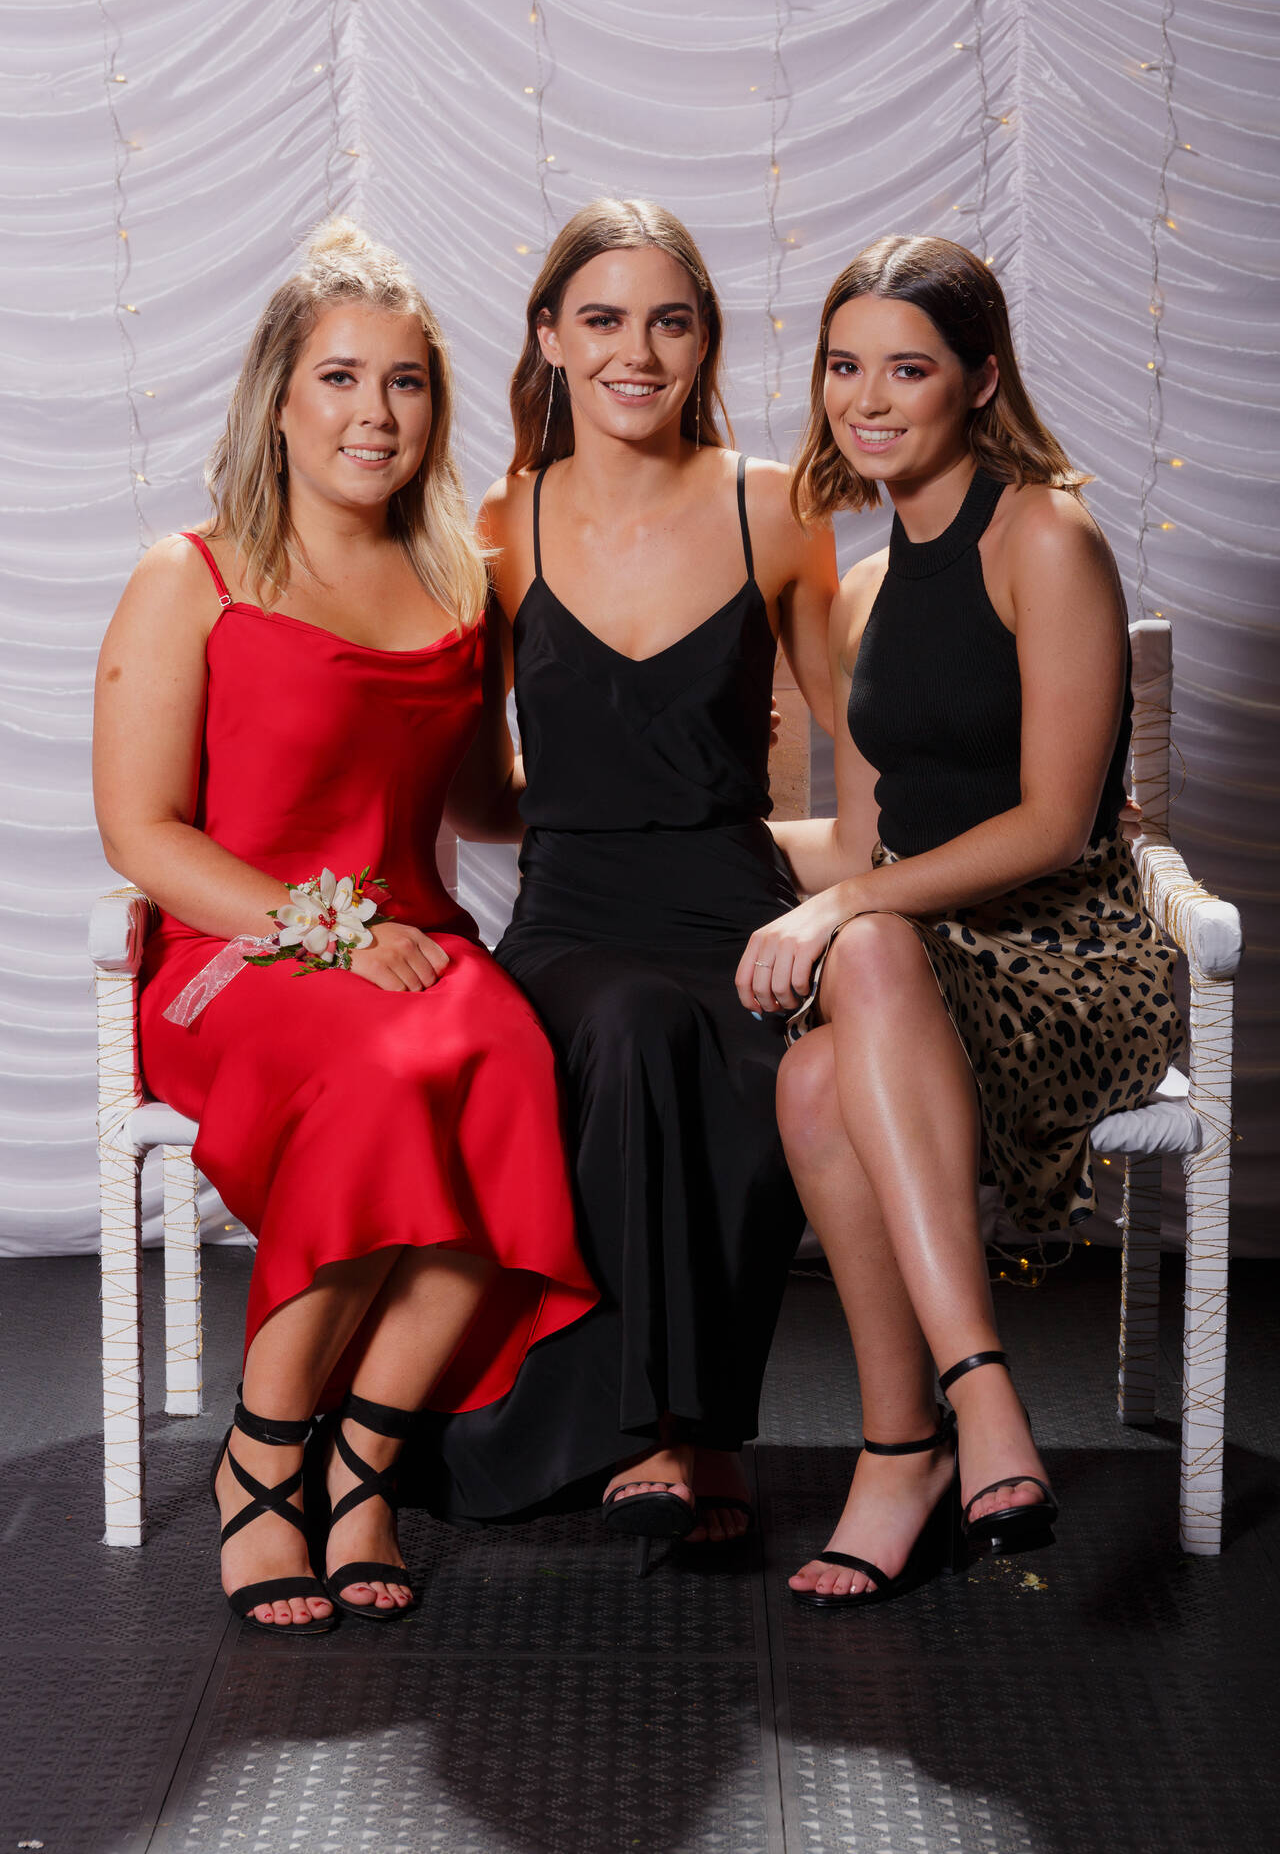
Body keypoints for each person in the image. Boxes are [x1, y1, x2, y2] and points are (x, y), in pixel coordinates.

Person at [92, 220, 596, 1635]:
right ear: (279, 396)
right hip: (235, 958)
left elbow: (484, 803)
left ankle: (364, 1464)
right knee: (381, 1080)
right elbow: (143, 835)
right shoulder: (192, 575)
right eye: (341, 377)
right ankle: (265, 1457)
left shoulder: (459, 584)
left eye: (407, 382)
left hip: (417, 950)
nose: (376, 413)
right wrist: (327, 931)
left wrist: (666, 786)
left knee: (514, 1071)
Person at [737, 234, 1184, 1609]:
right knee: (811, 1078)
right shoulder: (869, 589)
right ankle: (913, 1446)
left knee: (861, 951)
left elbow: (1055, 822)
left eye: (908, 369)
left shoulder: (1045, 536)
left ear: (981, 380)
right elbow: (865, 839)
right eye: (843, 366)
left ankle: (963, 1400)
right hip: (924, 952)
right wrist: (685, 854)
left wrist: (845, 904)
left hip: (1071, 949)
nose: (866, 400)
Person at [422, 199, 837, 1557]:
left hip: (740, 907)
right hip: (575, 921)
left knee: (741, 1047)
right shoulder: (501, 523)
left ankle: (696, 1432)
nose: (635, 352)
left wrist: (867, 888)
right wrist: (602, 800)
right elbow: (475, 794)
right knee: (634, 1023)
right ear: (549, 336)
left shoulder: (775, 507)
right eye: (601, 319)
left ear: (704, 339)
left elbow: (869, 750)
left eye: (669, 321)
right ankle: (667, 1436)